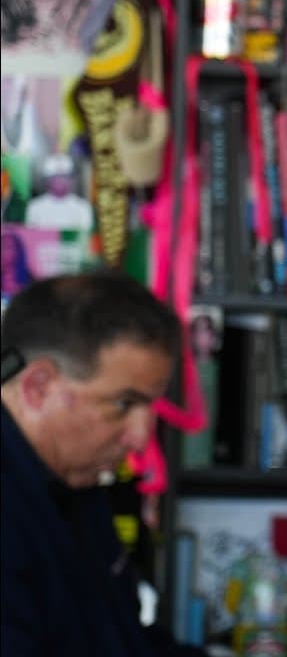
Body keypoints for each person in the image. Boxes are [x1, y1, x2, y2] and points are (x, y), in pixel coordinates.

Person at [1, 271, 205, 657]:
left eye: (150, 406)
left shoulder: (75, 483)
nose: (141, 437)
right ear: (38, 387)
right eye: (124, 404)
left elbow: (125, 643)